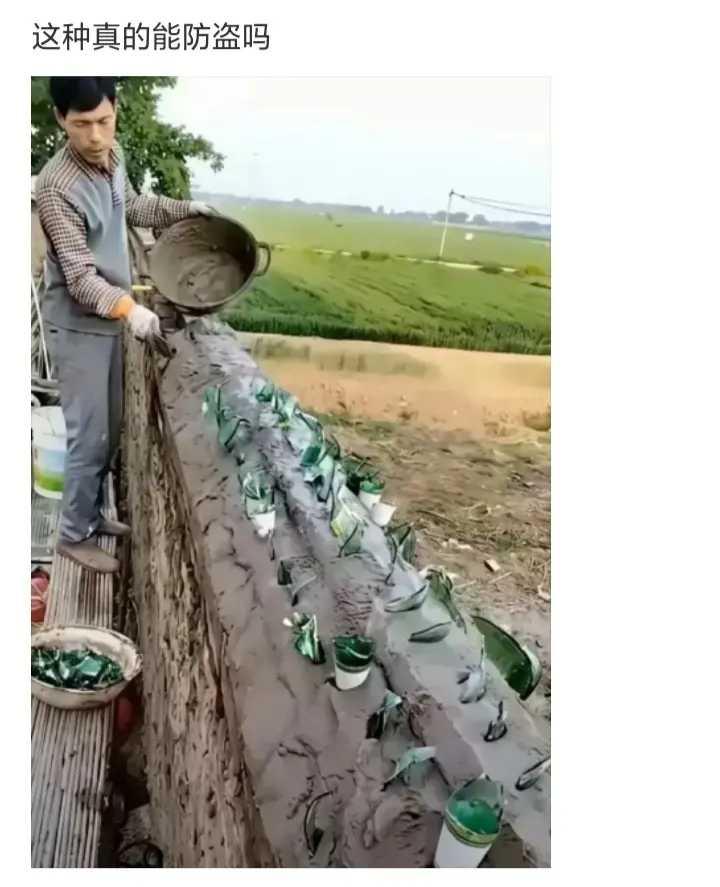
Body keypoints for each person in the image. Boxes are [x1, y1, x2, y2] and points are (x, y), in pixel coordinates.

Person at [35, 77, 212, 574]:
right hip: (79, 324)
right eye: (81, 124)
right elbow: (79, 278)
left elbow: (132, 206)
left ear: (115, 110)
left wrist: (185, 211)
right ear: (60, 119)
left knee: (109, 428)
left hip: (111, 315)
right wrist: (131, 310)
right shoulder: (55, 188)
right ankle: (73, 535)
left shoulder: (113, 156)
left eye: (104, 121)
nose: (95, 136)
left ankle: (92, 515)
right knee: (88, 433)